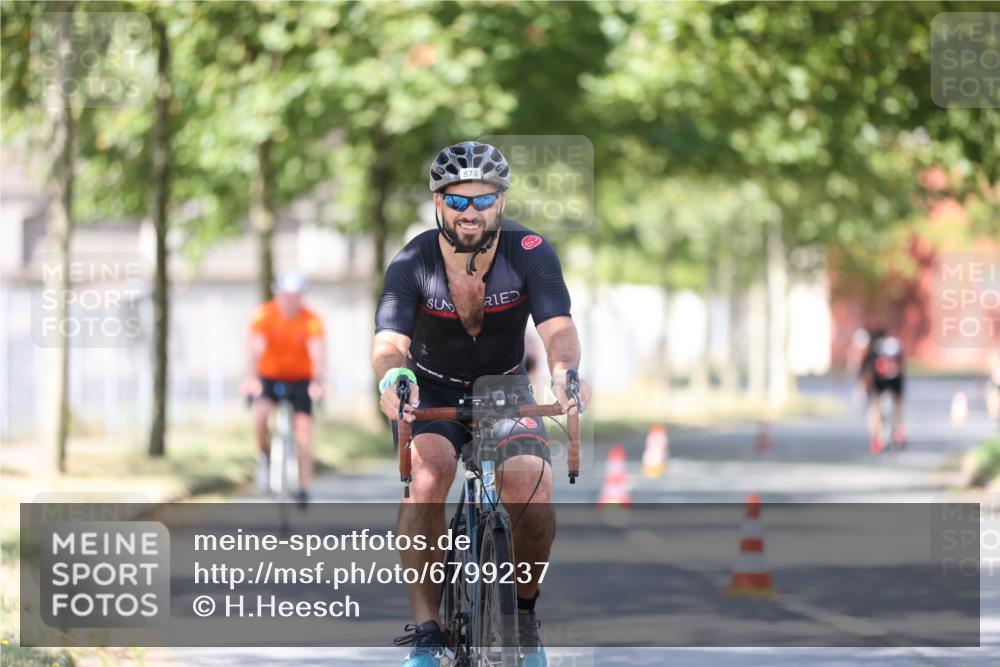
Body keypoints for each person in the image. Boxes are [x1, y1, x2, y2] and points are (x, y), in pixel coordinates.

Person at [372, 141, 591, 667]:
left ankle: (523, 615)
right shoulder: (412, 260)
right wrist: (393, 379)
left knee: (531, 489)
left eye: (482, 199)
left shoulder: (531, 250)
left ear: (501, 202)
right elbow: (389, 342)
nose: (470, 212)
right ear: (438, 204)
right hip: (433, 389)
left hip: (505, 388)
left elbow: (557, 327)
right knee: (429, 476)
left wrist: (564, 373)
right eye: (458, 200)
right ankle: (428, 631)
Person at [241, 271, 325, 507]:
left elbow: (317, 352)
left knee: (303, 433)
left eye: (295, 296)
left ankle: (303, 487)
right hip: (270, 377)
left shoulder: (311, 319)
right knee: (260, 416)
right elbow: (254, 349)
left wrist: (318, 382)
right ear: (278, 295)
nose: (291, 301)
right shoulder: (264, 315)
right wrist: (251, 378)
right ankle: (264, 459)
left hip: (301, 380)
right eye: (286, 296)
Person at [858, 328, 905, 454]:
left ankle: (875, 440)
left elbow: (865, 374)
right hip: (896, 381)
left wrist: (863, 389)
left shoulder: (873, 353)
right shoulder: (896, 350)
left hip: (879, 382)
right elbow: (901, 372)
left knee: (875, 408)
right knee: (897, 406)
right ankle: (899, 432)